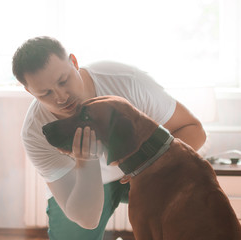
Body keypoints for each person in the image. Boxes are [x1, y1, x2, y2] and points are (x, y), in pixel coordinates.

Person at [12, 36, 206, 240]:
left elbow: (193, 130)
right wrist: (87, 160)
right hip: (83, 183)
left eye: (63, 81)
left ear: (74, 63)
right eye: (45, 93)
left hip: (143, 168)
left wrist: (145, 167)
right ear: (29, 91)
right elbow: (87, 218)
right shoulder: (36, 132)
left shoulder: (125, 81)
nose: (61, 97)